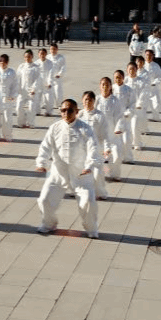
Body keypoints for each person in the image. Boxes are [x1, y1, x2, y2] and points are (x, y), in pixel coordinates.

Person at [33, 99, 100, 238]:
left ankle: (91, 228)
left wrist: (89, 166)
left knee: (88, 202)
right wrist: (41, 163)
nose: (66, 113)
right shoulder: (55, 127)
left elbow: (93, 148)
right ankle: (48, 223)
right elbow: (45, 146)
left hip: (81, 173)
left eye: (70, 110)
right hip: (58, 172)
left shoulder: (85, 129)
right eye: (63, 110)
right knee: (44, 200)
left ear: (77, 112)